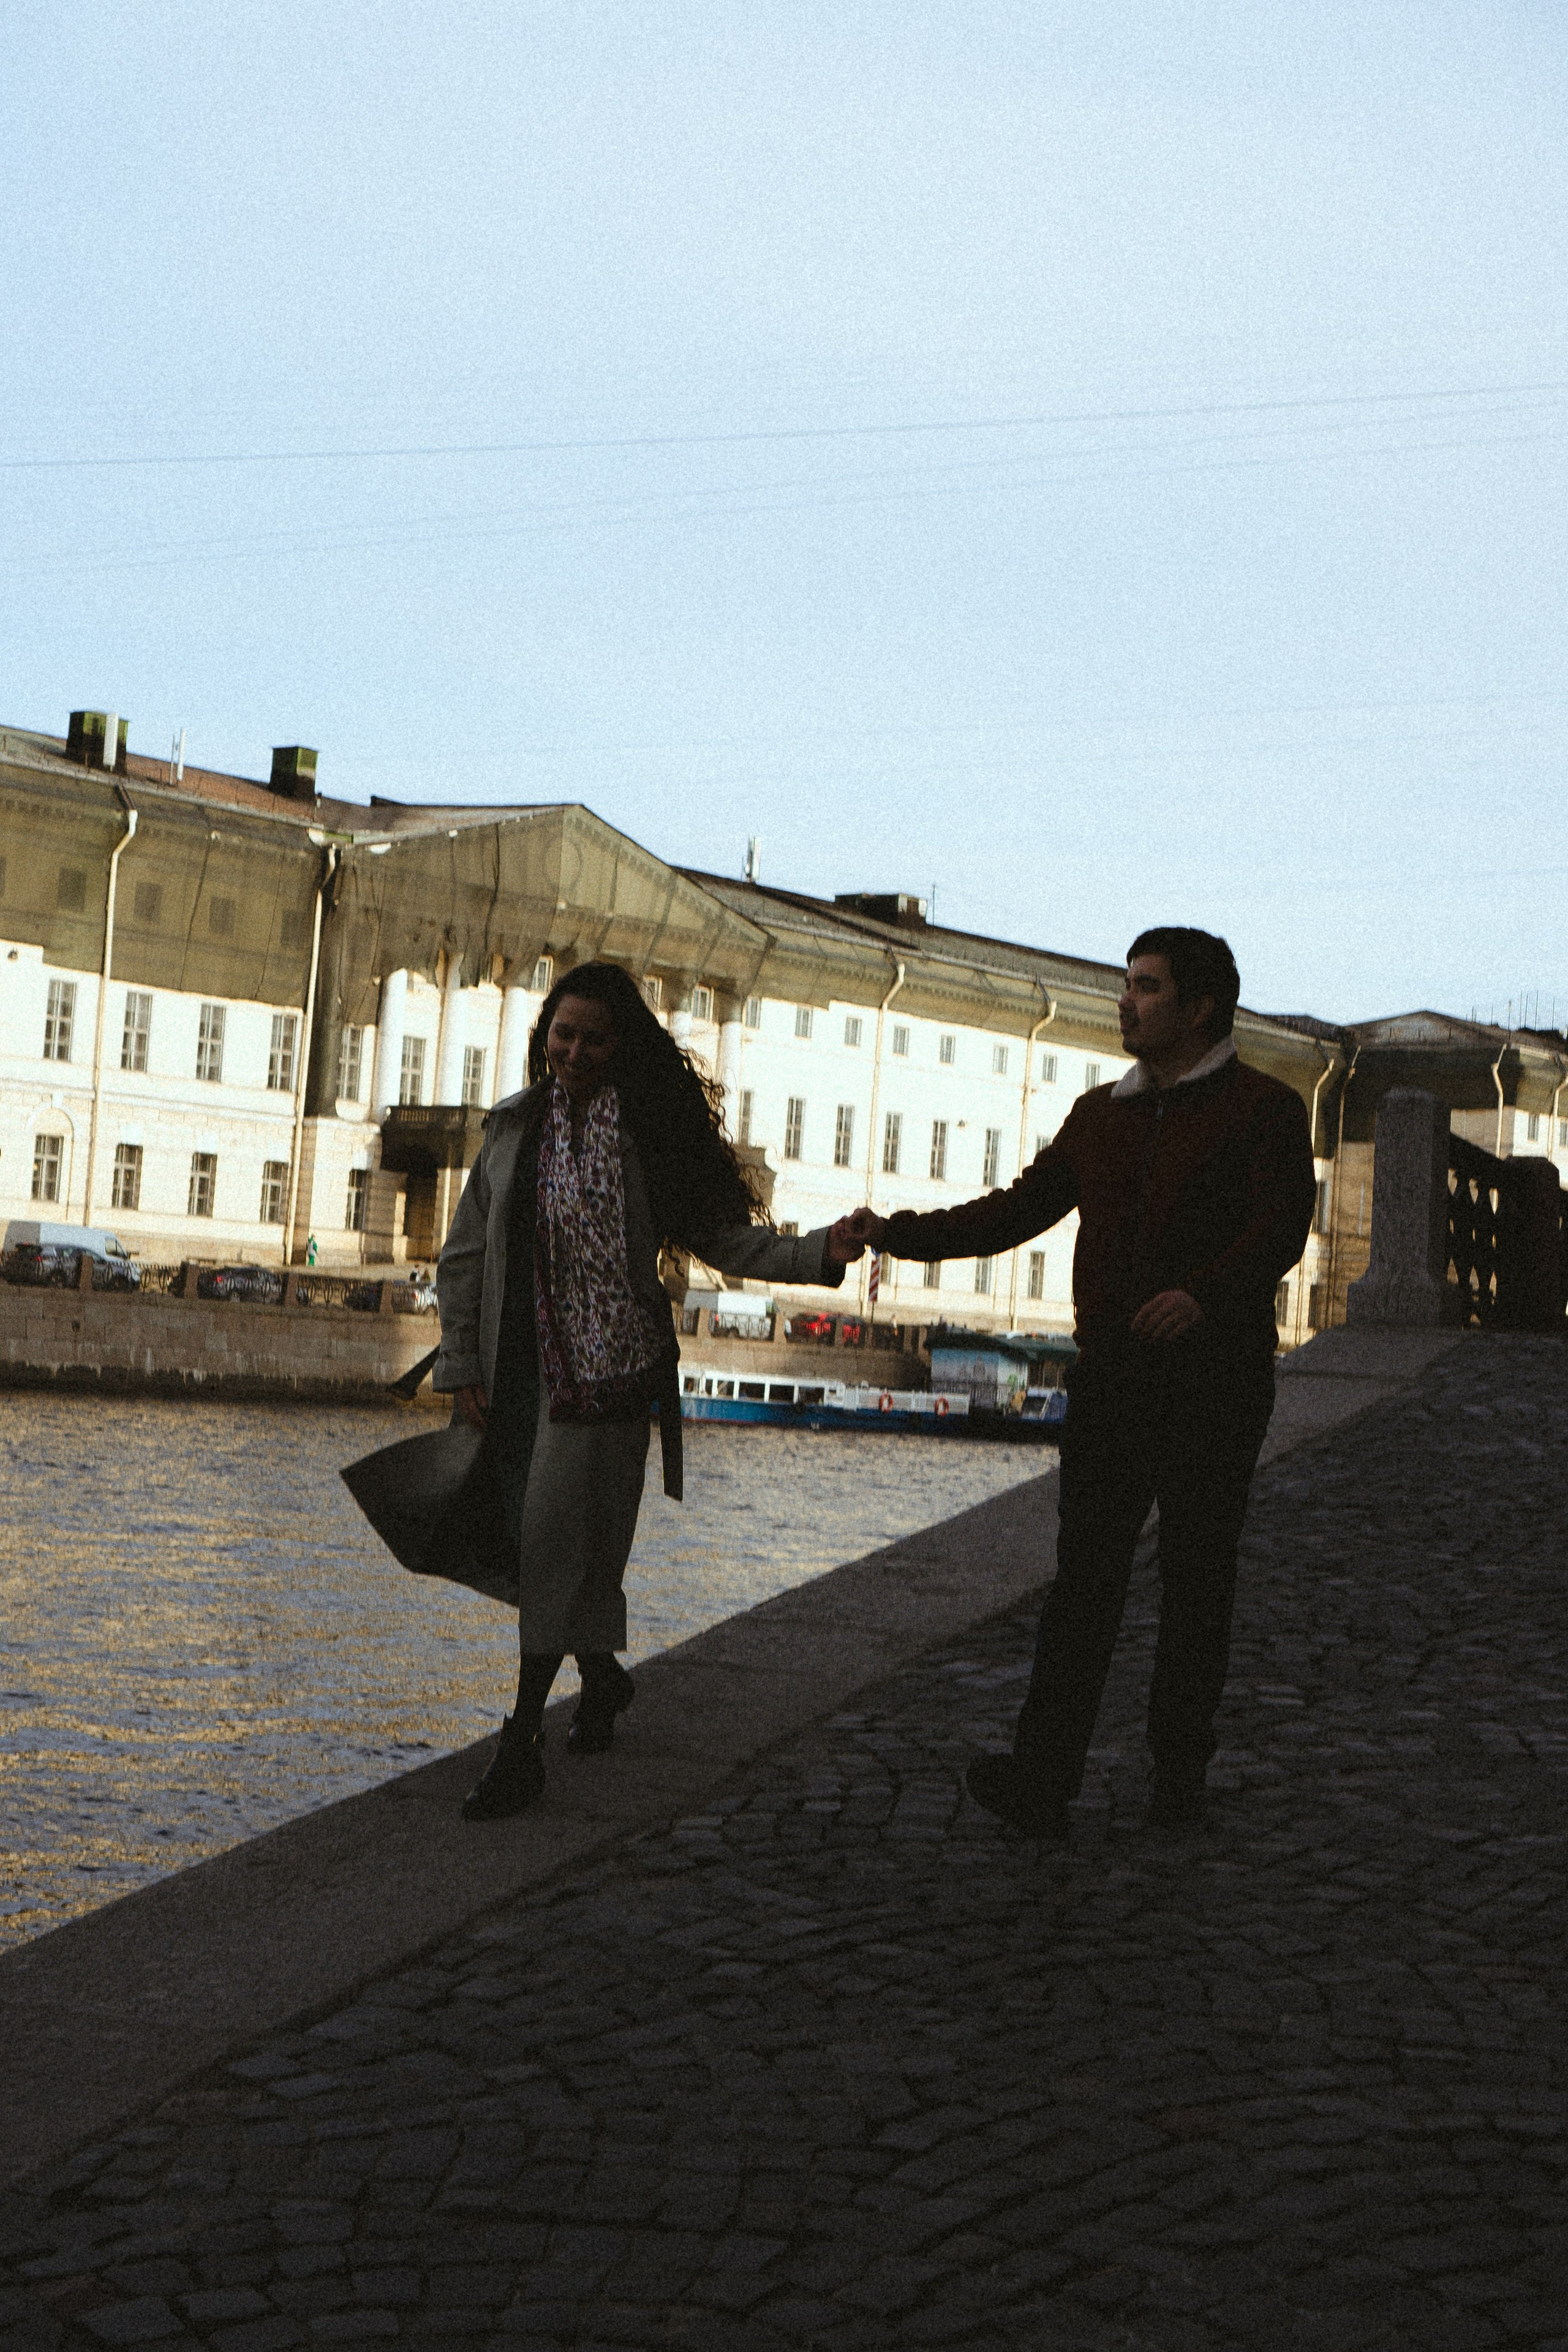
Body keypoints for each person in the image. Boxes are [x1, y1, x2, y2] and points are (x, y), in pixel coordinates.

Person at [351, 961, 865, 1824]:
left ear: (623, 1047)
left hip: (616, 1375)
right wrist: (465, 1366)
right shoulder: (515, 1128)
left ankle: (520, 1744)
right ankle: (601, 1677)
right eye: (563, 1033)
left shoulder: (651, 1136)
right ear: (543, 1034)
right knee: (546, 1540)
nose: (575, 1052)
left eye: (594, 1038)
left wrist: (818, 1253)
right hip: (528, 1371)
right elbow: (467, 1255)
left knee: (556, 1543)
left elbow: (725, 1242)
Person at [848, 928, 1316, 1838]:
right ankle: (1045, 1774)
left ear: (1200, 1008)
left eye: (1146, 988)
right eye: (1126, 985)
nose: (1126, 1002)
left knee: (1197, 1578)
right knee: (1083, 1583)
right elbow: (1017, 1210)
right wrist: (894, 1233)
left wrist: (1206, 1297)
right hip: (1115, 1379)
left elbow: (1280, 1228)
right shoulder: (1102, 1113)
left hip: (1214, 1384)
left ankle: (1179, 1773)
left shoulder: (1266, 1108)